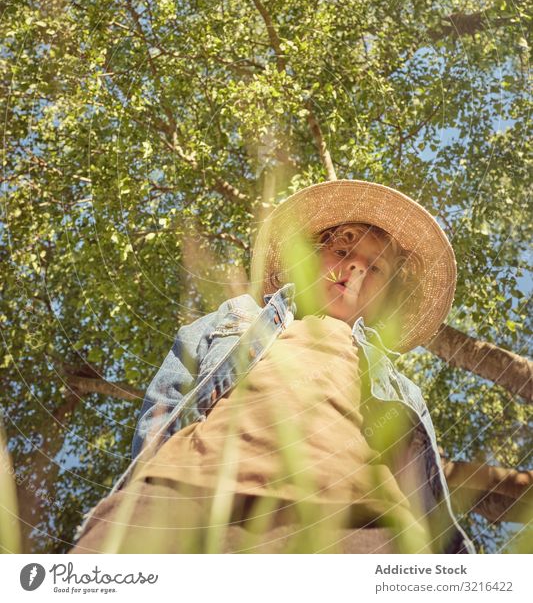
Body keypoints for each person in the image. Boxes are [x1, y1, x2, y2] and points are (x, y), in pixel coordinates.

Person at [70, 179, 476, 554]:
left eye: (376, 267)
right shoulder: (237, 315)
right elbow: (163, 408)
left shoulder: (401, 388)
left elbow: (417, 478)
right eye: (342, 249)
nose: (355, 266)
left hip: (361, 525)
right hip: (185, 496)